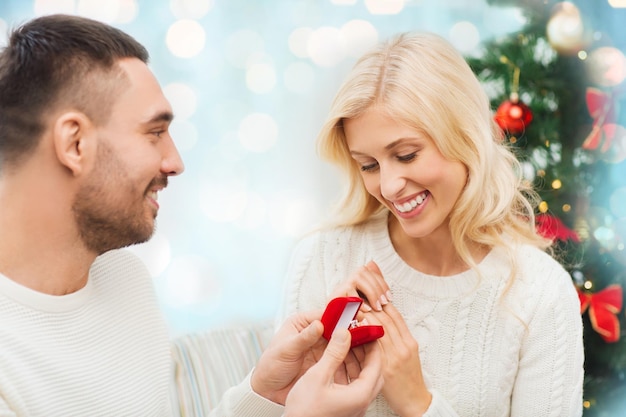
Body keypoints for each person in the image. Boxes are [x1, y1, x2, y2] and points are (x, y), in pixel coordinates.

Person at [0, 14, 382, 417]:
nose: (175, 162)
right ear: (74, 144)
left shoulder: (125, 279)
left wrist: (265, 394)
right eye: (154, 133)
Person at [278, 31, 585, 416]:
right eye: (368, 165)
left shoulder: (538, 292)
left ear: (465, 139)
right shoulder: (323, 258)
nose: (388, 187)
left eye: (406, 155)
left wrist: (419, 406)